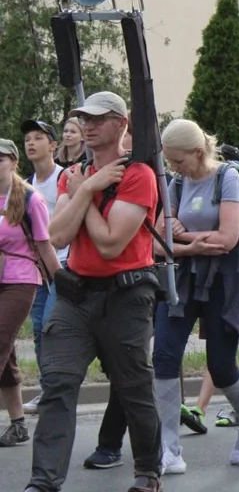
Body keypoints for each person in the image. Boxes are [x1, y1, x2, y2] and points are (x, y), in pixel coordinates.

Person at [27, 91, 162, 492]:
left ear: (120, 124)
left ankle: (147, 472)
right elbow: (56, 234)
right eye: (83, 118)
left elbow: (109, 244)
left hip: (126, 296)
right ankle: (43, 482)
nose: (87, 125)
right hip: (76, 296)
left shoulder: (139, 175)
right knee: (57, 385)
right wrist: (87, 189)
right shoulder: (76, 176)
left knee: (133, 388)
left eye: (98, 118)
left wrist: (83, 193)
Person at [152, 120, 239, 474]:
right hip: (183, 277)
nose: (172, 168)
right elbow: (157, 238)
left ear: (198, 153)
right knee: (164, 357)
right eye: (168, 162)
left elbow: (228, 240)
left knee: (220, 364)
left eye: (177, 161)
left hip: (226, 280)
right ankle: (169, 449)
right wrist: (192, 244)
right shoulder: (177, 182)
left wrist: (182, 237)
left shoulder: (226, 177)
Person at [0, 139, 60, 448]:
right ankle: (18, 424)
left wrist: (61, 284)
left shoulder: (29, 199)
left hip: (21, 280)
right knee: (7, 356)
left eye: (0, 159)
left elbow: (44, 244)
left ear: (12, 161)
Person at [19, 121, 66, 416]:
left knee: (52, 326)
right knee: (38, 329)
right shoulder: (24, 185)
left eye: (39, 138)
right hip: (36, 268)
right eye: (27, 139)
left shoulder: (66, 178)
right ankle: (49, 388)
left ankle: (59, 386)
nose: (31, 143)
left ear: (53, 145)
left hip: (63, 264)